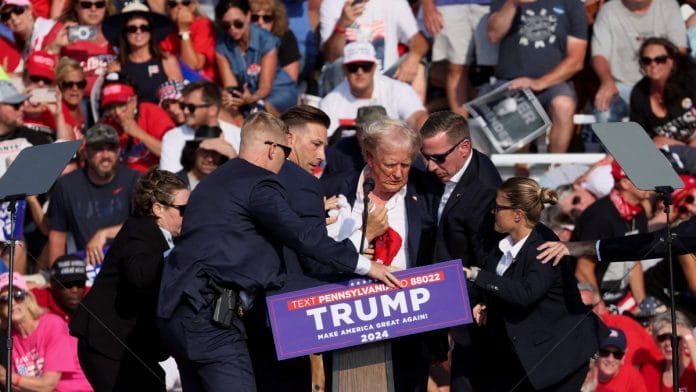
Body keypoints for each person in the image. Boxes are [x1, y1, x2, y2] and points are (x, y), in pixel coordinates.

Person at [156, 112, 400, 391]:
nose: (287, 161)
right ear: (273, 149)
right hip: (211, 320)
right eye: (286, 151)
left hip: (178, 313)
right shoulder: (260, 182)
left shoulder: (211, 182)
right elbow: (302, 236)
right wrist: (367, 266)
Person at [322, 119, 440, 392]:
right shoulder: (334, 189)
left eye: (406, 165)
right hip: (349, 321)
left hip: (410, 319)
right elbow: (319, 254)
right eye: (390, 164)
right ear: (368, 156)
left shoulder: (426, 193)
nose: (399, 174)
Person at [462, 177, 605, 391]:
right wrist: (485, 303)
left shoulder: (543, 246)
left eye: (498, 207)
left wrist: (477, 275)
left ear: (517, 214)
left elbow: (526, 293)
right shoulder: (503, 243)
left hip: (561, 357)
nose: (493, 212)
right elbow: (502, 283)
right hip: (527, 355)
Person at [70, 169, 189, 391]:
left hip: (132, 345)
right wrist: (180, 254)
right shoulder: (140, 231)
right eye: (183, 209)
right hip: (107, 344)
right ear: (158, 209)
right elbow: (141, 277)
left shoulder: (160, 236)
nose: (189, 215)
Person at [419, 110, 502, 391]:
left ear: (464, 148)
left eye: (438, 158)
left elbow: (487, 258)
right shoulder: (436, 173)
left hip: (466, 304)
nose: (430, 166)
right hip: (429, 292)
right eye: (425, 156)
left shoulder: (486, 191)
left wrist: (475, 301)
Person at [486, 0, 587, 152]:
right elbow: (493, 35)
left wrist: (539, 82)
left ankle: (555, 169)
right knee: (516, 109)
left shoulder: (572, 3)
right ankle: (520, 170)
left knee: (564, 106)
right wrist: (512, 3)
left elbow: (576, 60)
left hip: (553, 83)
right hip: (511, 82)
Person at [47, 124, 140, 266]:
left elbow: (146, 226)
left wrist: (105, 233)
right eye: (98, 149)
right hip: (86, 266)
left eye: (111, 149)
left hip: (128, 262)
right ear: (85, 153)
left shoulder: (134, 180)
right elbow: (57, 235)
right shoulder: (66, 185)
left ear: (119, 151)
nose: (106, 155)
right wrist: (57, 276)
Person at [591, 0, 686, 124]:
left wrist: (664, 84)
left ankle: (666, 142)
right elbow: (599, 55)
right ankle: (627, 144)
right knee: (603, 110)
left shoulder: (669, 5)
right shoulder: (608, 11)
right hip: (623, 86)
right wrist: (606, 82)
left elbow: (680, 50)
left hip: (664, 85)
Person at [572, 160, 649, 307]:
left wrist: (642, 305)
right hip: (589, 300)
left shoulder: (639, 212)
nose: (649, 182)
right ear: (625, 183)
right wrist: (601, 309)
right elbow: (583, 271)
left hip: (619, 297)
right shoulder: (600, 216)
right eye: (642, 178)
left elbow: (635, 263)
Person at [319, 0, 430, 99]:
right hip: (348, 78)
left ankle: (414, 116)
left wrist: (413, 58)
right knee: (338, 65)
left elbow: (419, 40)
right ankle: (338, 114)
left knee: (419, 61)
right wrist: (341, 26)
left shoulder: (394, 2)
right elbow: (331, 56)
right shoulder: (332, 3)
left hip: (385, 78)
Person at [0, 272, 92, 391]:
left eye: (18, 295)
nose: (12, 303)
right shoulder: (9, 338)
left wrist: (5, 376)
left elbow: (48, 385)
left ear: (29, 298)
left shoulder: (52, 325)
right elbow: (20, 384)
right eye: (4, 299)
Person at [319, 41, 427, 136]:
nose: (359, 72)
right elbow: (325, 138)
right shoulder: (330, 102)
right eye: (353, 67)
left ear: (374, 67)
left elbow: (418, 118)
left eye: (366, 66)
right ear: (345, 70)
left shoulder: (398, 90)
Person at [0, 80, 52, 274]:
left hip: (27, 228)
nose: (22, 108)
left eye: (22, 103)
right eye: (14, 105)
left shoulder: (35, 139)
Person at [216, 0, 298, 115]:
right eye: (226, 25)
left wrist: (250, 99)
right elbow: (231, 86)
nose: (232, 29)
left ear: (248, 16)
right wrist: (232, 97)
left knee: (259, 112)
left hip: (278, 91)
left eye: (238, 23)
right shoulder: (221, 45)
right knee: (226, 110)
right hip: (248, 95)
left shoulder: (266, 39)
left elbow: (265, 86)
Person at [53, 0, 118, 127]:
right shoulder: (64, 32)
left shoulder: (117, 34)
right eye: (86, 4)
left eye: (99, 4)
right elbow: (44, 71)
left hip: (111, 99)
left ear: (106, 7)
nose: (93, 9)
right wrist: (56, 48)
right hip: (77, 100)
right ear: (76, 6)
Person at [420, 0, 490, 117]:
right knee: (456, 67)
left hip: (491, 4)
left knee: (501, 66)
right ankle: (462, 131)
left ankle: (510, 120)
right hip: (449, 4)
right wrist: (428, 5)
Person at [103, 2, 183, 104]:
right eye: (132, 29)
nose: (138, 32)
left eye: (144, 28)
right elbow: (114, 105)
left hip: (163, 117)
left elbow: (177, 102)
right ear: (124, 33)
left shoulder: (168, 61)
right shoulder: (115, 67)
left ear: (151, 31)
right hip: (131, 118)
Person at [98, 72, 175, 173]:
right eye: (110, 107)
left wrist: (140, 134)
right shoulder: (105, 125)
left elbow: (174, 154)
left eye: (121, 105)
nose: (116, 112)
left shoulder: (151, 112)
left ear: (134, 101)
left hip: (156, 179)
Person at [160, 80, 241, 173]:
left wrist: (231, 156)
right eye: (183, 106)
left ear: (212, 110)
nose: (185, 111)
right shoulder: (172, 138)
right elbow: (170, 183)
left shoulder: (238, 135)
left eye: (191, 107)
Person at [630, 37, 696, 147]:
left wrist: (678, 146)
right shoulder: (639, 93)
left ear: (672, 61)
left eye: (660, 59)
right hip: (670, 156)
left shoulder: (690, 80)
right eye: (647, 60)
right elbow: (638, 138)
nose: (653, 64)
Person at [161, 0, 217, 80]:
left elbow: (192, 66)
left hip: (203, 83)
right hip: (177, 83)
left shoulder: (203, 25)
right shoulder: (165, 33)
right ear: (168, 9)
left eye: (185, 3)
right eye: (173, 4)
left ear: (192, 7)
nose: (180, 7)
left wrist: (184, 31)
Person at [640, 311, 696, 391]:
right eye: (662, 338)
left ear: (685, 340)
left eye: (674, 338)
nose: (667, 343)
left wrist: (688, 337)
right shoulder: (650, 371)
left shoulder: (692, 368)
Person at [250, 0, 300, 81]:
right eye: (254, 18)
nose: (260, 22)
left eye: (267, 18)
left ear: (275, 20)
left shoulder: (285, 37)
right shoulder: (238, 37)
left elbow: (290, 81)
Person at [32, 254, 89, 323]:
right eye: (67, 284)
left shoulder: (93, 295)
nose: (75, 290)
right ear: (52, 284)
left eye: (80, 284)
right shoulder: (35, 299)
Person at [176, 125, 232, 190]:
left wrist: (232, 156)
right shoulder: (173, 183)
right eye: (205, 152)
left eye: (215, 152)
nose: (210, 159)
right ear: (193, 152)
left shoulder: (228, 184)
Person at [594, 328, 648, 392]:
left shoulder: (632, 378)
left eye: (617, 354)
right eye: (605, 352)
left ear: (623, 357)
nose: (610, 359)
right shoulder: (586, 375)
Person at [56, 57, 87, 139]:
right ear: (59, 85)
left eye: (80, 84)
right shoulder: (56, 111)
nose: (75, 88)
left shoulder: (87, 110)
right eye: (69, 84)